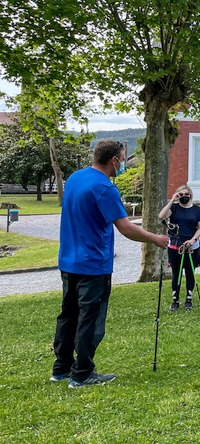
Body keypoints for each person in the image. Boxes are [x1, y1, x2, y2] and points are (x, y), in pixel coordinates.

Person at [52, 140, 169, 388]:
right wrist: (156, 239)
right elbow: (126, 228)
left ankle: (61, 368)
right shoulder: (105, 188)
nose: (124, 163)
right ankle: (82, 373)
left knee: (68, 314)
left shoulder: (75, 178)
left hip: (68, 260)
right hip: (93, 264)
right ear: (114, 159)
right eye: (123, 158)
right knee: (90, 320)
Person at [158, 184, 200, 312]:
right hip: (175, 245)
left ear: (190, 195)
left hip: (192, 245)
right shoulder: (174, 208)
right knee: (176, 272)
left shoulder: (196, 209)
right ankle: (175, 300)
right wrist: (172, 199)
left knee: (190, 272)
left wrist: (193, 239)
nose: (184, 197)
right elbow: (161, 216)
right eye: (181, 194)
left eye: (186, 194)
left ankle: (189, 299)